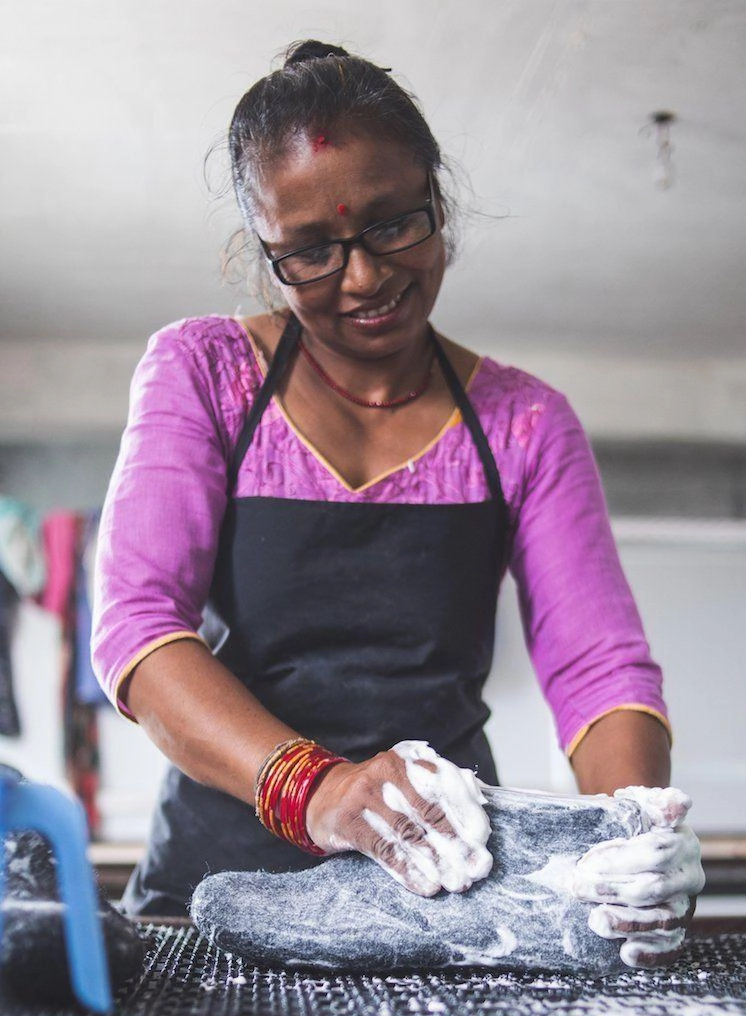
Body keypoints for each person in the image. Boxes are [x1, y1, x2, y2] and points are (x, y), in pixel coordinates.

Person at [92, 41, 703, 957]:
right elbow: (137, 626)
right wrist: (321, 790)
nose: (364, 277)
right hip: (217, 884)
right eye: (310, 251)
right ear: (265, 252)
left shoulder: (525, 422)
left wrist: (627, 835)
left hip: (456, 892)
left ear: (437, 205)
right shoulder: (205, 373)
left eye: (391, 225)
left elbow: (597, 667)